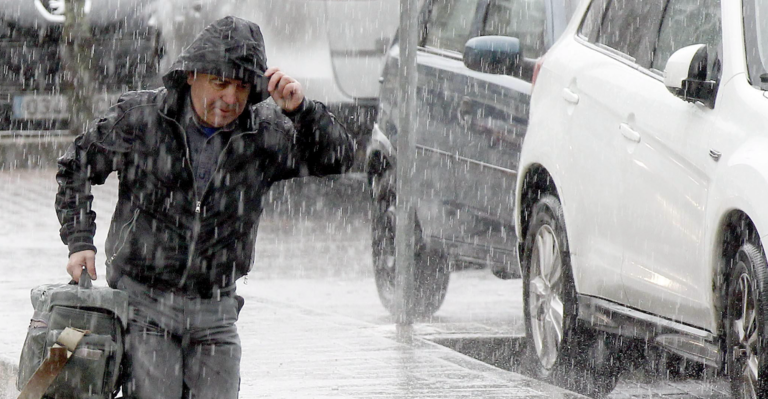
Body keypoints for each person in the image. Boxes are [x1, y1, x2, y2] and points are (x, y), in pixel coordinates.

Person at [55, 16, 355, 398]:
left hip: (216, 310)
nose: (230, 98)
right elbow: (76, 165)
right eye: (220, 82)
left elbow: (339, 158)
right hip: (145, 302)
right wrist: (80, 239)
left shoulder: (262, 134)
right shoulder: (143, 118)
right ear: (192, 74)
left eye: (242, 87)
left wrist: (303, 111)